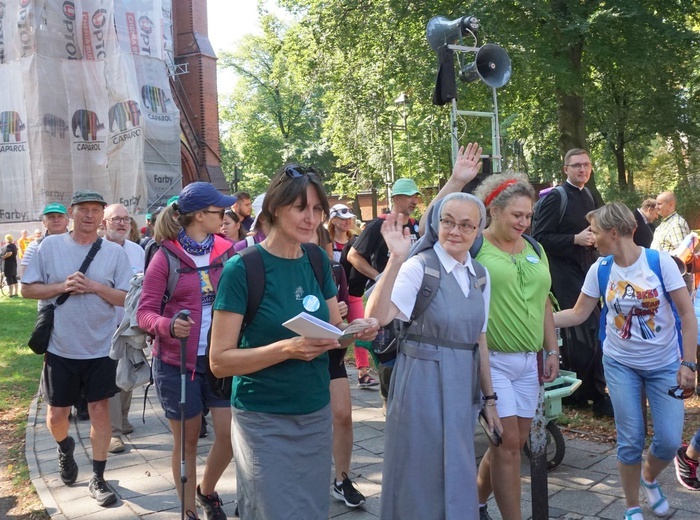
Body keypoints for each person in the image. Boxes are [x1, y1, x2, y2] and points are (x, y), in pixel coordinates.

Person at [209, 164, 379, 520]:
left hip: (315, 412)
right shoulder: (243, 269)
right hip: (263, 418)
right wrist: (287, 348)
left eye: (317, 209)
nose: (311, 218)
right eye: (301, 208)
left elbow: (334, 329)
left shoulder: (317, 259)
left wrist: (356, 328)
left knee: (311, 510)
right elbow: (220, 361)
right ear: (274, 208)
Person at [553, 202, 697, 520]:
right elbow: (578, 312)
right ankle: (632, 506)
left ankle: (649, 477)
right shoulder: (601, 269)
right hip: (621, 365)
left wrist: (689, 363)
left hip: (664, 365)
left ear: (614, 233)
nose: (592, 237)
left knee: (669, 440)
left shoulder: (659, 263)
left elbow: (687, 314)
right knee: (630, 440)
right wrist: (542, 320)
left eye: (596, 231)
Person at [365, 192, 501, 520]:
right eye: (448, 221)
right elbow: (377, 316)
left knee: (457, 466)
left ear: (479, 229)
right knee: (418, 469)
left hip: (461, 383)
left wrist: (490, 399)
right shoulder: (419, 267)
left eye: (466, 225)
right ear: (437, 222)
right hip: (420, 380)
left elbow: (479, 339)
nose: (455, 231)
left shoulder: (480, 275)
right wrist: (396, 260)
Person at [21, 189, 133, 507]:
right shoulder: (50, 246)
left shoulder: (114, 253)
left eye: (95, 210)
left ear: (102, 216)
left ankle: (98, 478)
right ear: (71, 213)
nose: (89, 215)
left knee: (99, 412)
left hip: (101, 347)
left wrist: (96, 286)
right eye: (82, 209)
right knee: (57, 416)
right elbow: (28, 290)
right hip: (60, 346)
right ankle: (64, 448)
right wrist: (62, 286)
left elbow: (126, 298)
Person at [137, 182, 236, 520]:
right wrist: (168, 326)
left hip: (220, 358)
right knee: (188, 442)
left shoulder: (227, 252)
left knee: (229, 436)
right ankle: (189, 511)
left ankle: (206, 491)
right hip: (177, 363)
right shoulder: (165, 256)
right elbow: (145, 312)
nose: (224, 217)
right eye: (218, 212)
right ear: (199, 215)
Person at [465, 173, 558, 520]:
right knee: (506, 447)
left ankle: (473, 500)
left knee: (513, 442)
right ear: (494, 210)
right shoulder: (476, 245)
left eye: (528, 215)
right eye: (516, 215)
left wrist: (551, 351)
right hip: (491, 361)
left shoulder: (535, 248)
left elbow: (545, 302)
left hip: (528, 362)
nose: (524, 222)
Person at [532, 148, 613, 417]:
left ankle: (590, 391)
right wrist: (573, 239)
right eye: (576, 165)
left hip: (588, 267)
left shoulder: (591, 195)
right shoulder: (556, 197)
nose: (582, 170)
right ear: (565, 169)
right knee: (582, 330)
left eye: (587, 165)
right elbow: (539, 238)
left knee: (595, 328)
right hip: (563, 271)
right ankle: (586, 392)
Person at [347, 178, 422, 396]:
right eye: (409, 195)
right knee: (388, 361)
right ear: (396, 198)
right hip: (385, 303)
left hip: (410, 303)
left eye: (416, 196)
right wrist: (381, 277)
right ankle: (388, 406)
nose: (414, 200)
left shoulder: (415, 226)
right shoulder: (379, 226)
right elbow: (353, 256)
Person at [103, 204, 146, 455]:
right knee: (111, 376)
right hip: (105, 324)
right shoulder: (99, 250)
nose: (121, 223)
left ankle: (123, 419)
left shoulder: (137, 250)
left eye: (125, 219)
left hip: (131, 323)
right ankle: (113, 432)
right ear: (104, 223)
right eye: (115, 219)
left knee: (128, 372)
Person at [20, 203, 71, 280]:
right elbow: (25, 279)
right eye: (51, 217)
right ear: (44, 222)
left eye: (60, 216)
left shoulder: (79, 243)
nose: (56, 220)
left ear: (67, 221)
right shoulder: (35, 246)